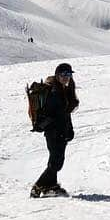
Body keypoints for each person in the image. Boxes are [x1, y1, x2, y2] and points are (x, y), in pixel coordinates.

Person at [30, 62, 79, 198]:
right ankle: (38, 186)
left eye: (68, 74)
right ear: (57, 75)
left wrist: (69, 129)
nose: (66, 77)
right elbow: (55, 114)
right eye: (63, 74)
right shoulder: (54, 92)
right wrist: (58, 129)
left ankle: (50, 186)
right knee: (56, 162)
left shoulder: (63, 90)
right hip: (53, 132)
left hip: (61, 131)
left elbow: (66, 113)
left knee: (56, 160)